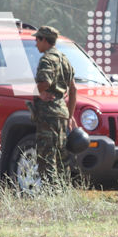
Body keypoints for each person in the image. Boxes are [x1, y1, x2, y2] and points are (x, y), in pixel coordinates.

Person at [32, 25, 77, 184]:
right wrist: (70, 116)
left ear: (44, 40)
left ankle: (50, 193)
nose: (35, 43)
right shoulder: (64, 59)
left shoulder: (47, 59)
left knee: (46, 157)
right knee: (61, 156)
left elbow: (45, 82)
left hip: (48, 114)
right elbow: (73, 89)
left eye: (37, 39)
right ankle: (63, 192)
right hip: (62, 113)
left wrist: (38, 91)